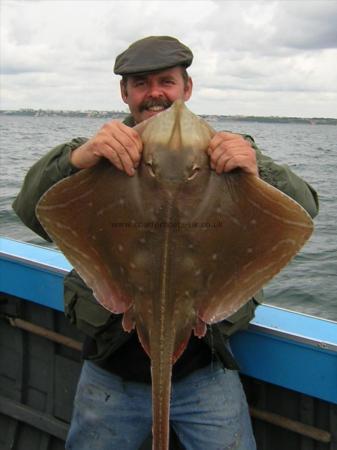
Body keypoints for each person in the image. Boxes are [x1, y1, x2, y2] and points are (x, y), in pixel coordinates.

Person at [13, 36, 319, 450]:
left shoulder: (230, 155)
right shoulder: (97, 155)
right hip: (111, 369)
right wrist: (76, 159)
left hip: (205, 368)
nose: (155, 93)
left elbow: (303, 212)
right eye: (141, 83)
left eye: (166, 81)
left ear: (186, 88)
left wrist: (256, 168)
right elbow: (32, 210)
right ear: (125, 93)